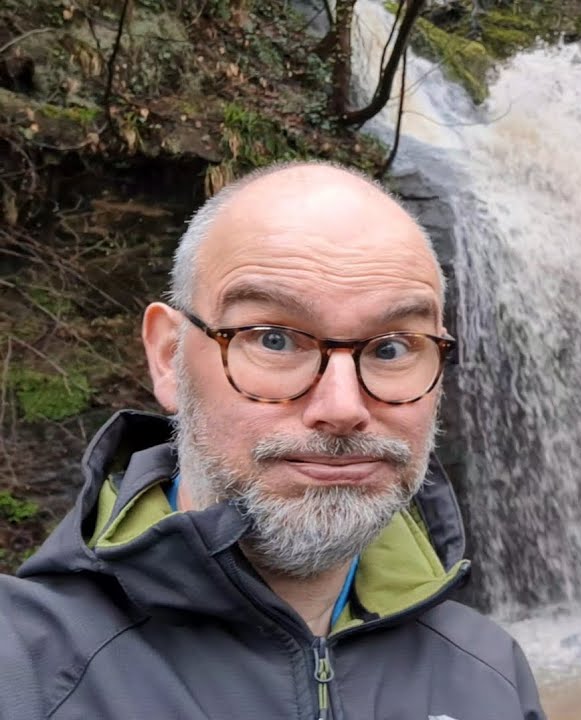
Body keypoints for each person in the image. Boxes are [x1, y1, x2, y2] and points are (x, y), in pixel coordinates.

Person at [0, 161, 547, 719]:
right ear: (168, 358)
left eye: (391, 348)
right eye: (274, 339)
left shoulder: (490, 674)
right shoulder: (22, 668)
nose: (343, 408)